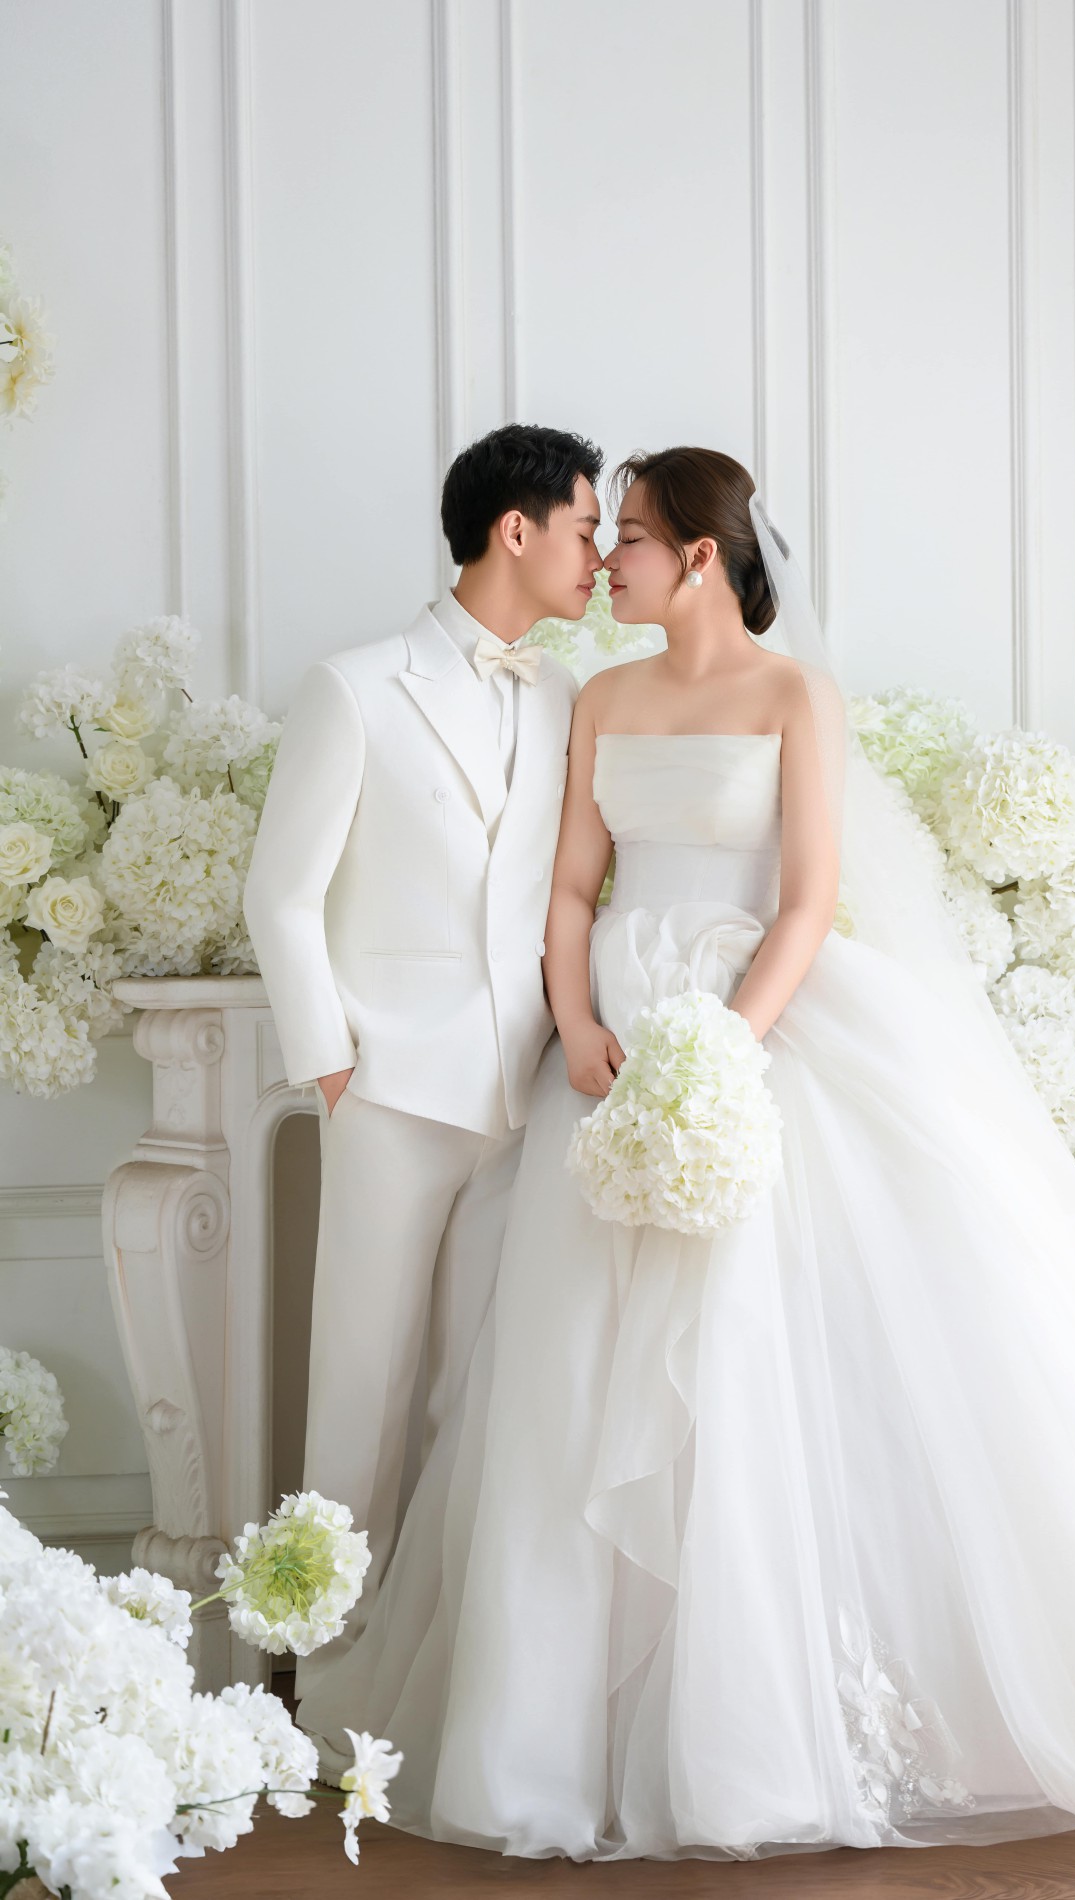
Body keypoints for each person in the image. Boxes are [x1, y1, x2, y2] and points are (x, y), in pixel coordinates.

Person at [296, 444, 1075, 1858]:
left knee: (755, 1358)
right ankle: (547, 1743)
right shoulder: (599, 697)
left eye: (629, 537)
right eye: (599, 533)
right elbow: (569, 889)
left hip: (753, 1026)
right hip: (612, 1046)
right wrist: (582, 1025)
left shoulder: (791, 694)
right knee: (569, 1377)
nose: (605, 561)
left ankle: (756, 1736)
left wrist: (725, 1046)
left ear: (699, 555)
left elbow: (808, 897)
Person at [241, 422, 603, 1698]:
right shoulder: (354, 686)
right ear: (516, 528)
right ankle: (317, 1695)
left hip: (525, 1092)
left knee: (474, 1402)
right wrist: (333, 1066)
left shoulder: (564, 695)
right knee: (361, 1399)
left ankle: (433, 1689)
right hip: (390, 1091)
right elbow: (280, 894)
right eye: (583, 528)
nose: (595, 555)